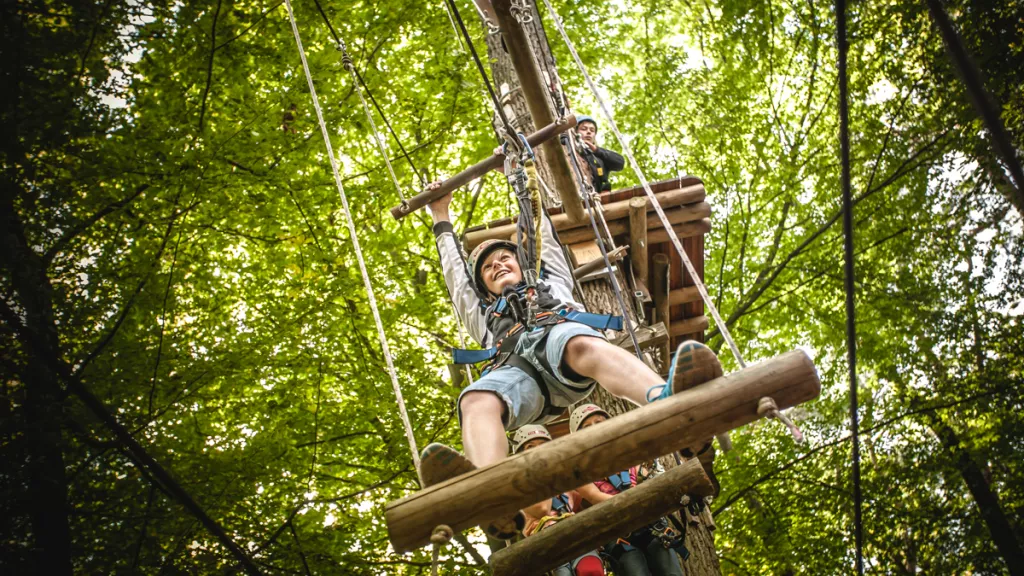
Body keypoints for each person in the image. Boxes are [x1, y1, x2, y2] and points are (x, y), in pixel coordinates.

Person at [426, 151, 722, 536]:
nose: (498, 264)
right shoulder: (482, 315)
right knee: (475, 399)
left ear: (523, 264)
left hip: (562, 347)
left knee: (581, 343)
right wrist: (440, 217)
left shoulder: (550, 282)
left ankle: (669, 407)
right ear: (481, 285)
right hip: (516, 374)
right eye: (487, 266)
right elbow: (454, 276)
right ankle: (492, 490)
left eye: (506, 258)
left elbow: (538, 227)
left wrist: (518, 175)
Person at [569, 405, 689, 576]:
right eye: (587, 427)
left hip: (651, 525)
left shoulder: (630, 452)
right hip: (619, 532)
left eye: (599, 422)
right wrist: (634, 499)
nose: (595, 428)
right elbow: (595, 497)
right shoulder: (580, 471)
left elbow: (650, 478)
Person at [513, 425, 606, 576]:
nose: (539, 450)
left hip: (576, 534)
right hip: (547, 541)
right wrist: (545, 474)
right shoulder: (519, 487)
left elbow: (590, 497)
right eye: (531, 447)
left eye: (543, 446)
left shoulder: (564, 481)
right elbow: (542, 509)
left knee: (591, 570)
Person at [575, 115, 625, 192]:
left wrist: (597, 150)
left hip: (598, 197)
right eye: (583, 129)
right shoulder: (569, 150)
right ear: (575, 132)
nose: (588, 132)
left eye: (592, 130)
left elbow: (620, 163)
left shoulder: (599, 157)